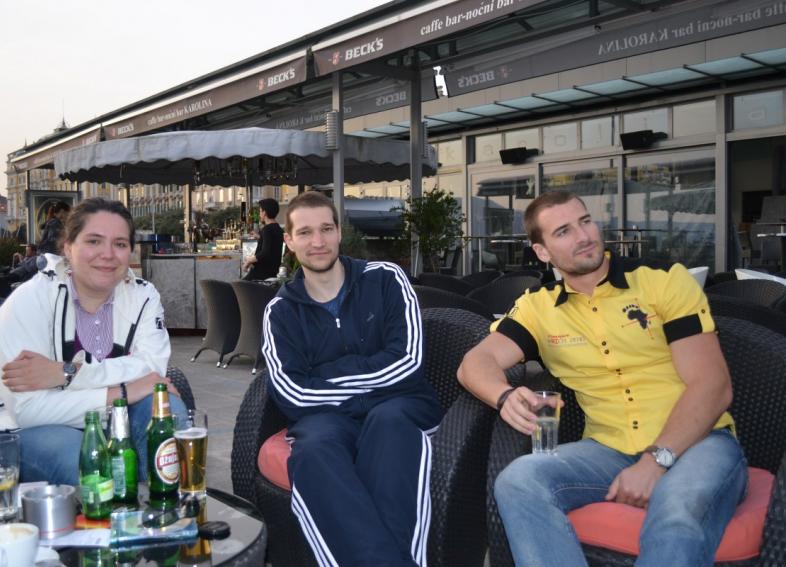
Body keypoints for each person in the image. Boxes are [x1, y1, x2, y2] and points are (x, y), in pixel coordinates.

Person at [457, 190, 747, 566]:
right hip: (607, 450)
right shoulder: (538, 308)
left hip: (698, 443)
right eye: (563, 231)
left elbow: (713, 385)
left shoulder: (662, 281)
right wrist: (503, 395)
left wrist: (655, 461)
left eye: (585, 221)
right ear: (542, 252)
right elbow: (474, 363)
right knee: (518, 480)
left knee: (676, 512)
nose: (583, 236)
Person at [262, 191, 442, 566]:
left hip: (399, 408)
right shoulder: (280, 311)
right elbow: (291, 393)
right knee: (313, 451)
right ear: (289, 241)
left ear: (339, 232)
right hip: (328, 420)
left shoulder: (386, 279)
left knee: (388, 424)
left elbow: (407, 362)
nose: (318, 241)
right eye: (305, 232)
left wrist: (325, 375)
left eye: (326, 229)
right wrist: (369, 378)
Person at [0, 198, 188, 485]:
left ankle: (161, 508)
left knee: (168, 416)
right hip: (8, 428)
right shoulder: (30, 299)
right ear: (68, 247)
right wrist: (123, 391)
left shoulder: (143, 295)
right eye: (93, 241)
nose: (108, 254)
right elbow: (28, 410)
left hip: (103, 420)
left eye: (119, 244)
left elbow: (151, 369)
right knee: (85, 459)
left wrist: (65, 373)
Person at [243, 198, 284, 280]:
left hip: (261, 273)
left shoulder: (266, 229)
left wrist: (249, 261)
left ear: (264, 213)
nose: (259, 214)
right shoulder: (278, 228)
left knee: (238, 286)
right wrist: (260, 237)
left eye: (260, 211)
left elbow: (265, 252)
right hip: (272, 272)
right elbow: (273, 244)